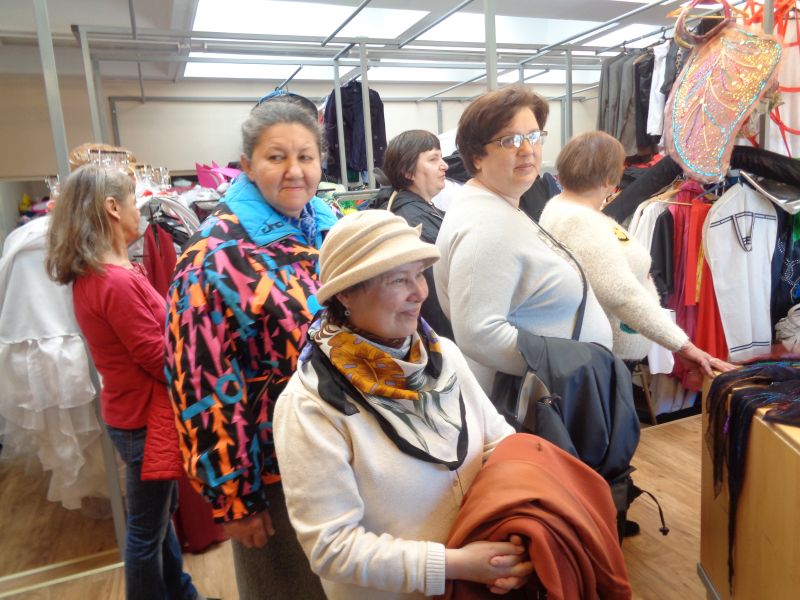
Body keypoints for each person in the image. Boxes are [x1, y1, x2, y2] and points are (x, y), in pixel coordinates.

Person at [273, 210, 532, 600]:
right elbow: (332, 547)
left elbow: (498, 443)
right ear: (345, 293)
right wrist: (456, 564)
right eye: (398, 280)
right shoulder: (312, 405)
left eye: (419, 275)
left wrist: (514, 532)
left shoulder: (442, 356)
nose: (420, 293)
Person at [164, 99, 336, 599]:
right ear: (247, 165)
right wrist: (235, 498)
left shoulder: (326, 228)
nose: (294, 171)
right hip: (276, 475)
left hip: (343, 454)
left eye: (305, 157)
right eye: (276, 157)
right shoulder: (214, 255)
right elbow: (201, 384)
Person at [45, 165, 208, 600]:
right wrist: (200, 359)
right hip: (144, 419)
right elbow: (156, 357)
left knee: (158, 517)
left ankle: (181, 592)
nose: (140, 210)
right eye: (134, 201)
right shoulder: (114, 280)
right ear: (112, 208)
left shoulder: (106, 272)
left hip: (135, 414)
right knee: (145, 530)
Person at [433, 85, 614, 393]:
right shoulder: (485, 224)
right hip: (538, 401)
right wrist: (570, 365)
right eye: (510, 140)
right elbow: (478, 334)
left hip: (554, 392)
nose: (528, 149)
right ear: (477, 157)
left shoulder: (497, 205)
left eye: (533, 136)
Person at [539, 130, 735, 376]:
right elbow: (621, 294)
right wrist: (683, 345)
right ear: (609, 177)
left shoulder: (565, 207)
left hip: (602, 353)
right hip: (603, 359)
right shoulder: (579, 220)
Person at [371, 129, 453, 338]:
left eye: (441, 157)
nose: (445, 165)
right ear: (408, 172)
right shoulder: (413, 221)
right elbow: (433, 298)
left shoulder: (419, 209)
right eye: (433, 159)